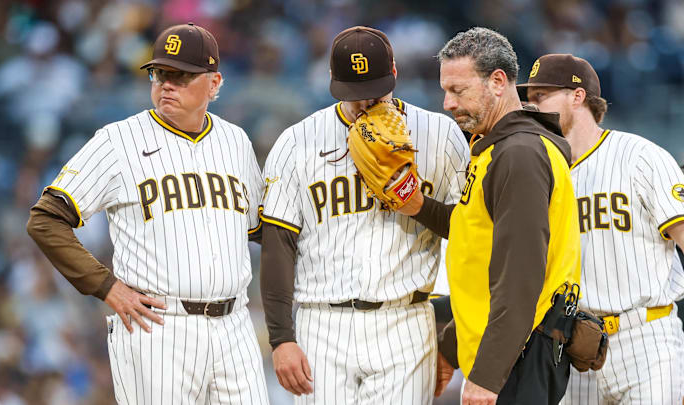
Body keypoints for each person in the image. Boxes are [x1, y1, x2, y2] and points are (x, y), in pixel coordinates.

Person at [26, 23, 270, 404]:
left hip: (234, 324)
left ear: (214, 82)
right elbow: (45, 219)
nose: (166, 84)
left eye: (182, 75)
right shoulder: (118, 140)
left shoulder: (235, 141)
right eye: (160, 73)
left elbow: (259, 229)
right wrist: (106, 286)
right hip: (157, 326)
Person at [259, 26, 469, 404]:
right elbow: (278, 245)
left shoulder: (440, 134)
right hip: (321, 320)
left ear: (394, 71)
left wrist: (417, 204)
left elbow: (471, 232)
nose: (366, 103)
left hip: (405, 319)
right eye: (354, 95)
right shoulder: (297, 141)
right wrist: (281, 338)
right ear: (331, 81)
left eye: (375, 91)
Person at [395, 27, 582, 404]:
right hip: (505, 351)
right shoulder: (496, 149)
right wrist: (416, 204)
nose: (447, 103)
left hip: (518, 358)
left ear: (498, 82)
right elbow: (475, 234)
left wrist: (487, 377)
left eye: (458, 90)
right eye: (445, 90)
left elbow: (521, 278)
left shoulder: (520, 155)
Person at [519, 53, 684, 404]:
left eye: (541, 96)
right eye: (530, 99)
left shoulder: (639, 156)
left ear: (577, 96)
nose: (532, 106)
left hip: (646, 337)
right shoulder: (543, 172)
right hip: (575, 344)